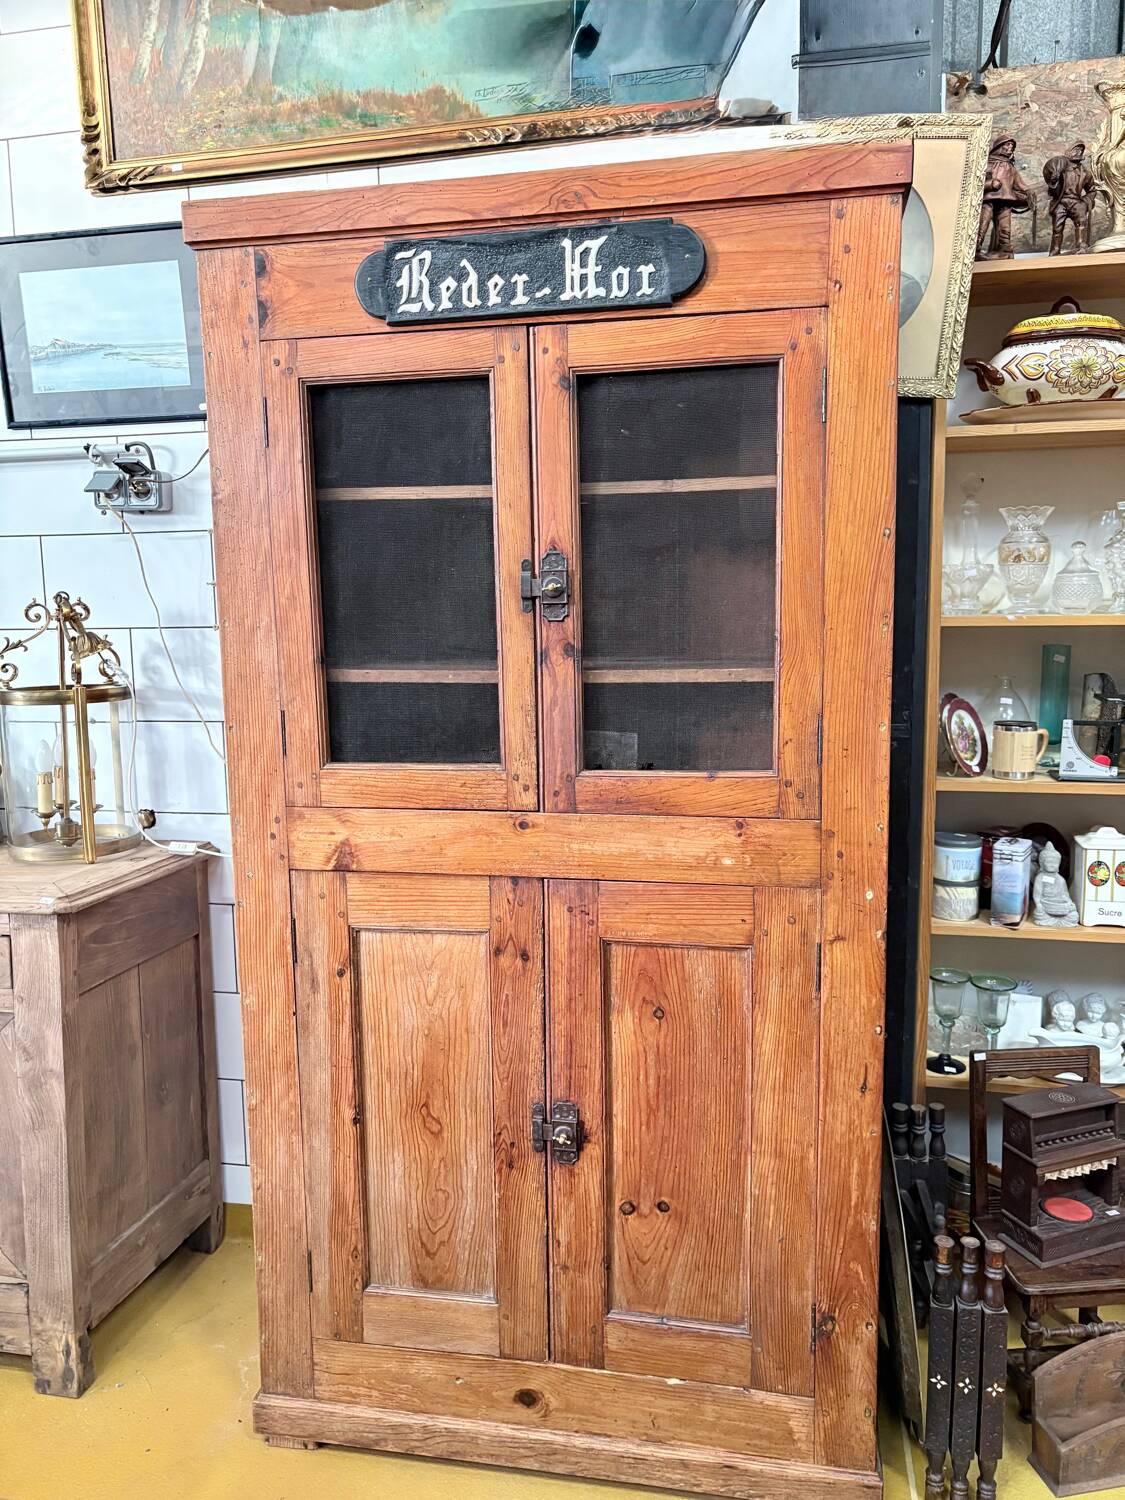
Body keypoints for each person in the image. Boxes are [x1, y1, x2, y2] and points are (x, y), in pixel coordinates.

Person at [978, 136, 1034, 260]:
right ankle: (976, 249)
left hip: (1005, 201)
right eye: (1008, 145)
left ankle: (1004, 250)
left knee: (1005, 227)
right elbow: (976, 183)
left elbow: (1020, 184)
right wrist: (990, 184)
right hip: (988, 200)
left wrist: (1028, 192)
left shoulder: (1010, 168)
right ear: (999, 146)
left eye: (1012, 146)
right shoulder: (986, 164)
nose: (1010, 148)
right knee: (983, 223)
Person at [1043, 142, 1096, 255]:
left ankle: (1081, 247)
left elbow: (1092, 190)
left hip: (1076, 201)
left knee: (1081, 223)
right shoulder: (1059, 165)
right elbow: (1049, 174)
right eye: (1076, 149)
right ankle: (1055, 251)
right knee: (1057, 228)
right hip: (1060, 202)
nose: (1079, 152)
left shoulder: (1085, 173)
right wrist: (1053, 179)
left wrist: (1086, 202)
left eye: (1081, 151)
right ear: (1069, 151)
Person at [1032, 842, 1079, 927]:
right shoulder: (1040, 878)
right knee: (1038, 913)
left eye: (1055, 863)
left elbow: (1065, 895)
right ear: (1042, 863)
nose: (1052, 865)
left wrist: (1069, 903)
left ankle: (1056, 921)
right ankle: (1056, 922)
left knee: (1073, 914)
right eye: (1049, 862)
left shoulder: (1061, 879)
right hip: (1046, 905)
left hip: (1059, 906)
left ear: (1059, 864)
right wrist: (1038, 905)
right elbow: (1037, 895)